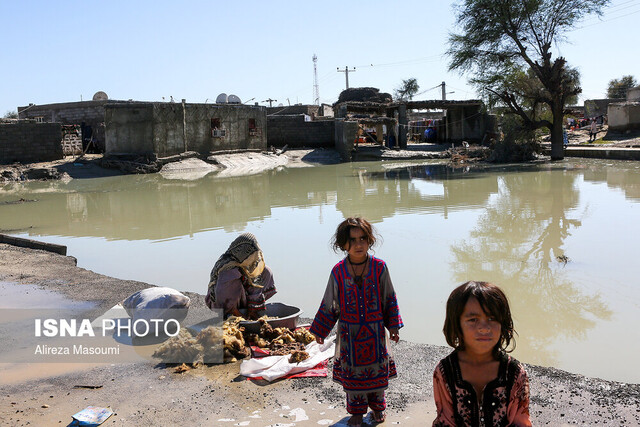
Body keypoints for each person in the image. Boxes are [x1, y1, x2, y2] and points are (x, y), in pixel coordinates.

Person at [310, 217, 403, 426]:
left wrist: (394, 326)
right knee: (353, 374)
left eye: (363, 239)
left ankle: (379, 409)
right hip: (349, 335)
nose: (358, 244)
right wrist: (320, 330)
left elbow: (389, 297)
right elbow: (330, 304)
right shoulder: (338, 271)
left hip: (376, 333)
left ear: (370, 240)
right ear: (343, 244)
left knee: (377, 372)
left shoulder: (380, 268)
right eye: (352, 240)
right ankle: (357, 413)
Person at [432, 281, 531, 427]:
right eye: (473, 320)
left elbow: (521, 422)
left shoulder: (515, 373)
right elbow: (445, 421)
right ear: (456, 324)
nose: (484, 328)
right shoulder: (444, 372)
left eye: (492, 319)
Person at [205, 233, 276, 319]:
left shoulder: (246, 262)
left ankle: (253, 309)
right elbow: (222, 295)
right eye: (251, 256)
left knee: (266, 271)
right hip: (222, 302)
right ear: (244, 254)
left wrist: (252, 308)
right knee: (233, 278)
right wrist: (241, 317)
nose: (255, 259)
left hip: (243, 297)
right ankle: (232, 313)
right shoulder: (227, 268)